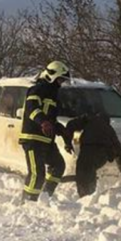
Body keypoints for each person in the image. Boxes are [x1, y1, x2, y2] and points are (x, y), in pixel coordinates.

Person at [19, 61, 71, 201]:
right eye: (60, 79)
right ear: (51, 76)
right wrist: (43, 121)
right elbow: (31, 109)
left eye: (63, 80)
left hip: (47, 140)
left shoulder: (54, 95)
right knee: (37, 173)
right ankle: (28, 202)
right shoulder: (36, 90)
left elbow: (51, 118)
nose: (60, 83)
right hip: (33, 139)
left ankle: (45, 196)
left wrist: (60, 129)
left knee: (58, 165)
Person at [64, 112, 121, 197]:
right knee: (90, 169)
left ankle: (83, 195)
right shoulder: (110, 130)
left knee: (82, 170)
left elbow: (71, 125)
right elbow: (119, 154)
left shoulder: (89, 119)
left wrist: (68, 143)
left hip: (87, 150)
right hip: (101, 154)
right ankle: (91, 194)